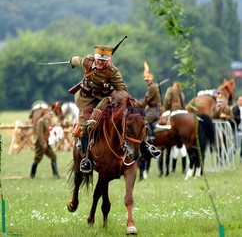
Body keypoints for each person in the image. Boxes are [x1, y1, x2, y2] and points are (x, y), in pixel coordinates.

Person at [70, 44, 161, 173]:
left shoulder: (112, 72)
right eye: (99, 59)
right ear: (95, 58)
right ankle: (86, 159)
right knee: (86, 127)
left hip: (104, 100)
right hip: (86, 100)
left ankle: (144, 145)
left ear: (108, 60)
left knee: (126, 121)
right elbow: (76, 60)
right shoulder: (87, 61)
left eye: (104, 60)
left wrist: (123, 98)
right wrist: (72, 62)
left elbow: (122, 88)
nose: (101, 62)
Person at [163, 81, 187, 174]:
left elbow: (167, 100)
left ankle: (172, 169)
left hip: (173, 111)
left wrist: (166, 108)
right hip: (182, 111)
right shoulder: (182, 93)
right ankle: (184, 168)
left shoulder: (170, 90)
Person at [30, 108, 60, 179]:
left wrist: (55, 125)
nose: (51, 115)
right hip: (41, 143)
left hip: (47, 142)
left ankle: (55, 174)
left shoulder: (46, 121)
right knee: (37, 159)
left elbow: (49, 129)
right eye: (49, 114)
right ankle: (32, 175)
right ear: (45, 114)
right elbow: (39, 133)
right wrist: (43, 143)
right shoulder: (41, 121)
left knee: (53, 156)